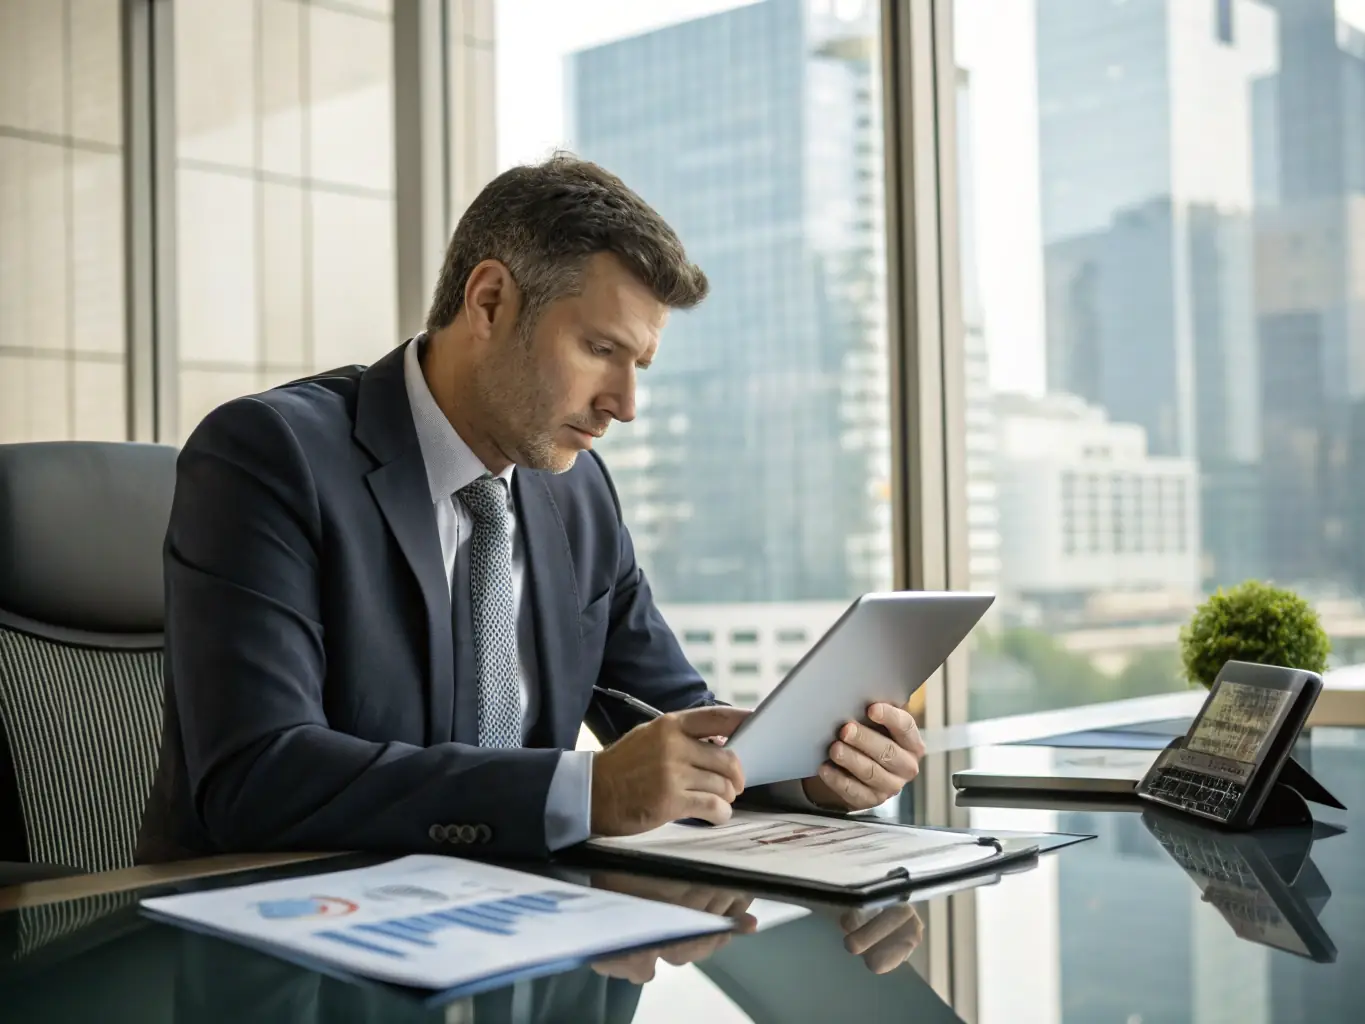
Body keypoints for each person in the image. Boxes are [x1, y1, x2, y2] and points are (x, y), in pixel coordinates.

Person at [136, 155, 925, 864]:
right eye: (600, 350)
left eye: (640, 364)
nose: (624, 405)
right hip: (280, 945)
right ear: (488, 302)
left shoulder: (577, 491)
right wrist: (585, 793)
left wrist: (817, 775)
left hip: (524, 935)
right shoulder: (270, 456)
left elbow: (677, 721)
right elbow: (256, 777)